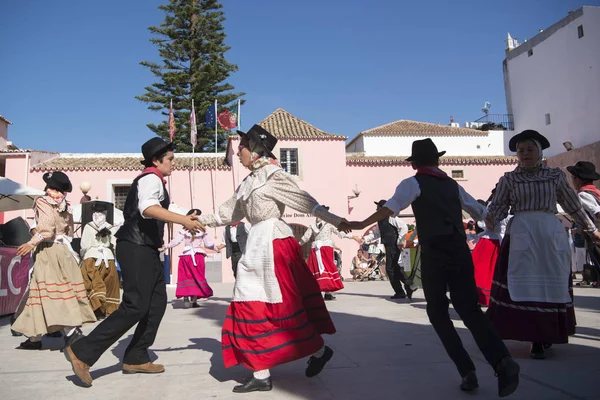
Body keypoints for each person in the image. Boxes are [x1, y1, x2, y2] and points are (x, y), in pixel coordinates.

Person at [341, 138, 520, 397]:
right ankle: (502, 361)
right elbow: (481, 212)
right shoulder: (452, 185)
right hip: (459, 251)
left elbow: (391, 208)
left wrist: (359, 225)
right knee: (470, 311)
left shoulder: (412, 183)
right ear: (438, 160)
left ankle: (466, 370)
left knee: (437, 313)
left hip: (435, 252)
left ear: (414, 163)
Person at [197, 124, 343, 393]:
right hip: (258, 245)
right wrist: (196, 221)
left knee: (277, 305)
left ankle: (288, 362)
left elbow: (306, 203)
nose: (237, 152)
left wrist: (340, 222)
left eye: (240, 147)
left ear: (254, 149)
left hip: (274, 243)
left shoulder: (274, 175)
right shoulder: (248, 182)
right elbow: (228, 213)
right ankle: (265, 369)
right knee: (252, 302)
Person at [63, 137, 203, 387]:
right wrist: (182, 220)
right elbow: (148, 208)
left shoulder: (156, 181)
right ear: (156, 160)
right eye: (170, 159)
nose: (173, 163)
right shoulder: (150, 179)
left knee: (157, 303)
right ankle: (82, 352)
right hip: (135, 247)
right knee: (135, 305)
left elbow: (160, 208)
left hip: (146, 249)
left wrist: (185, 216)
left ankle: (136, 356)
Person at [486, 132, 600, 360]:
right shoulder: (509, 179)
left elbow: (573, 205)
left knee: (549, 285)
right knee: (523, 285)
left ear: (539, 151)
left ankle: (545, 335)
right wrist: (488, 219)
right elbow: (497, 208)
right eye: (521, 150)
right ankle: (533, 337)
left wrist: (591, 229)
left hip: (548, 234)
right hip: (521, 234)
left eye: (530, 149)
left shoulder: (555, 176)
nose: (525, 154)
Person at [13, 172, 96, 349]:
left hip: (48, 251)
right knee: (39, 292)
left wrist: (31, 241)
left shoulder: (43, 201)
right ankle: (34, 338)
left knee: (52, 292)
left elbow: (48, 229)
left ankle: (72, 332)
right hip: (63, 251)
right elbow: (69, 232)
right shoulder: (65, 205)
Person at [161, 208, 215, 308]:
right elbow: (209, 244)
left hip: (185, 256)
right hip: (198, 257)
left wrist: (166, 246)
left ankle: (186, 298)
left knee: (185, 276)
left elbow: (176, 241)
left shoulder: (183, 230)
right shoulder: (202, 230)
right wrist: (216, 248)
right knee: (197, 278)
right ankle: (194, 301)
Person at [299, 212, 358, 300]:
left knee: (326, 269)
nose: (318, 216)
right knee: (318, 269)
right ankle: (319, 293)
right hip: (319, 250)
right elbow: (305, 237)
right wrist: (297, 244)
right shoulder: (313, 225)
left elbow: (340, 233)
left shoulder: (328, 224)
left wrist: (352, 236)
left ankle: (327, 293)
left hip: (324, 250)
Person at [364, 201, 414, 299]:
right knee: (394, 267)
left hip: (394, 245)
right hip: (388, 245)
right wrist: (365, 239)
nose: (376, 210)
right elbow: (376, 234)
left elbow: (403, 227)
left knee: (390, 268)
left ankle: (401, 291)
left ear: (383, 208)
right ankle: (409, 285)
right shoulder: (379, 220)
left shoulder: (392, 217)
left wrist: (400, 240)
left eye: (378, 208)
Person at [80, 201, 120, 319]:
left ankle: (95, 306)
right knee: (110, 285)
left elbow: (84, 245)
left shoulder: (88, 226)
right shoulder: (110, 227)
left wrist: (82, 256)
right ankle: (109, 310)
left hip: (91, 258)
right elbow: (114, 244)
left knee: (92, 283)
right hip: (108, 259)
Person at [567, 161, 600, 285]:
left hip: (596, 237)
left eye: (573, 178)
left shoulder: (583, 195)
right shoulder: (595, 192)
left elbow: (597, 213)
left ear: (578, 179)